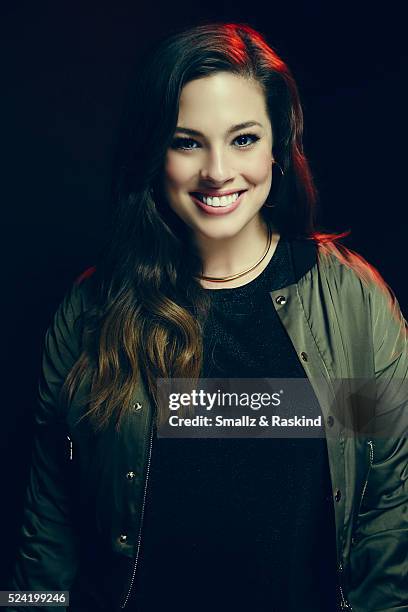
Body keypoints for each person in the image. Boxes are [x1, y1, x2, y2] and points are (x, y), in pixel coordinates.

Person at [7, 21, 408, 612]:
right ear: (154, 151)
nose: (218, 171)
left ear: (279, 143)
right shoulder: (91, 311)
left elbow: (388, 513)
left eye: (243, 139)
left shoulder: (353, 301)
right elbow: (46, 537)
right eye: (187, 142)